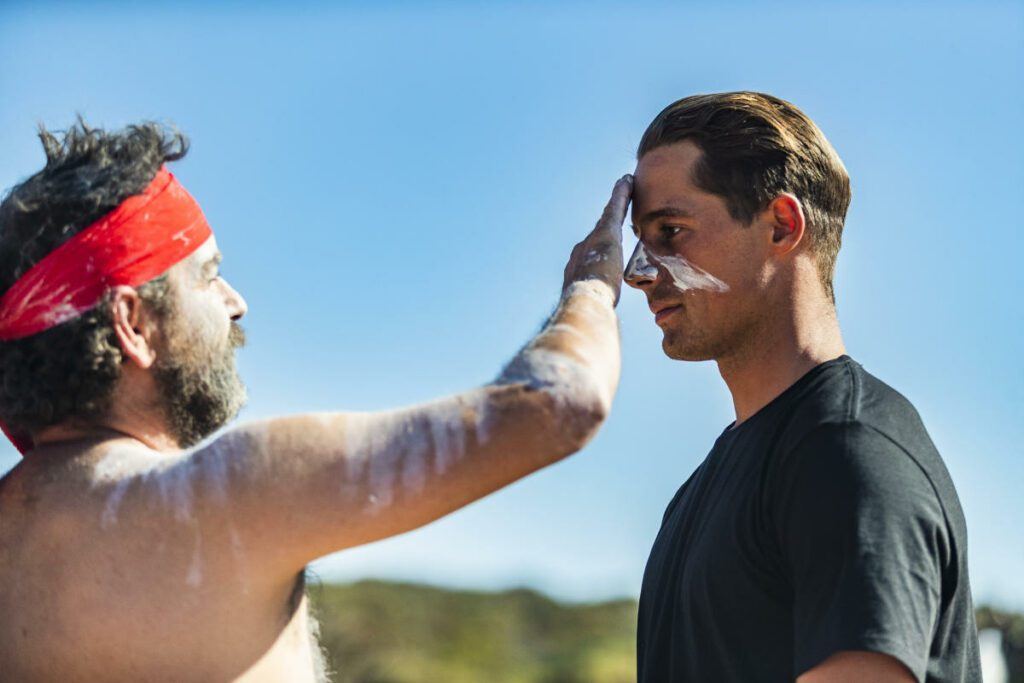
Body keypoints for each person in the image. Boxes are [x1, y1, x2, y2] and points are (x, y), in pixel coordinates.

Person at [0, 121, 631, 682]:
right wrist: (591, 285)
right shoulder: (226, 497)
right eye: (206, 274)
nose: (235, 300)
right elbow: (561, 402)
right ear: (133, 323)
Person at [623, 92, 981, 683]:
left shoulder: (844, 449)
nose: (638, 272)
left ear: (783, 226)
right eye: (640, 239)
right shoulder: (709, 483)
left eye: (670, 230)